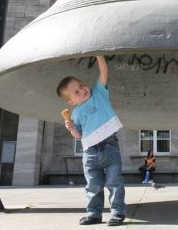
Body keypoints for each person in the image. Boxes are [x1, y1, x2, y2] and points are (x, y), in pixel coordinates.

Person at [57, 55, 126, 226]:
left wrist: (99, 55)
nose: (82, 90)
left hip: (110, 145)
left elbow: (104, 72)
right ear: (71, 101)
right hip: (89, 152)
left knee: (114, 182)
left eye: (81, 85)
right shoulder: (76, 114)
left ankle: (117, 212)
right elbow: (78, 135)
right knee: (93, 185)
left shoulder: (98, 93)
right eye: (76, 92)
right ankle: (94, 213)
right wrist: (71, 127)